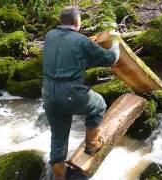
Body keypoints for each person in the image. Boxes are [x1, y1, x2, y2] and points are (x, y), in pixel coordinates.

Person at [42, 6, 120, 180]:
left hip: (48, 93)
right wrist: (116, 42)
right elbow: (110, 58)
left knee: (58, 134)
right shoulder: (82, 41)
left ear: (61, 21)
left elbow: (68, 55)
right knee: (98, 104)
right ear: (78, 22)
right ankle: (92, 144)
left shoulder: (49, 36)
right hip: (70, 92)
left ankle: (59, 173)